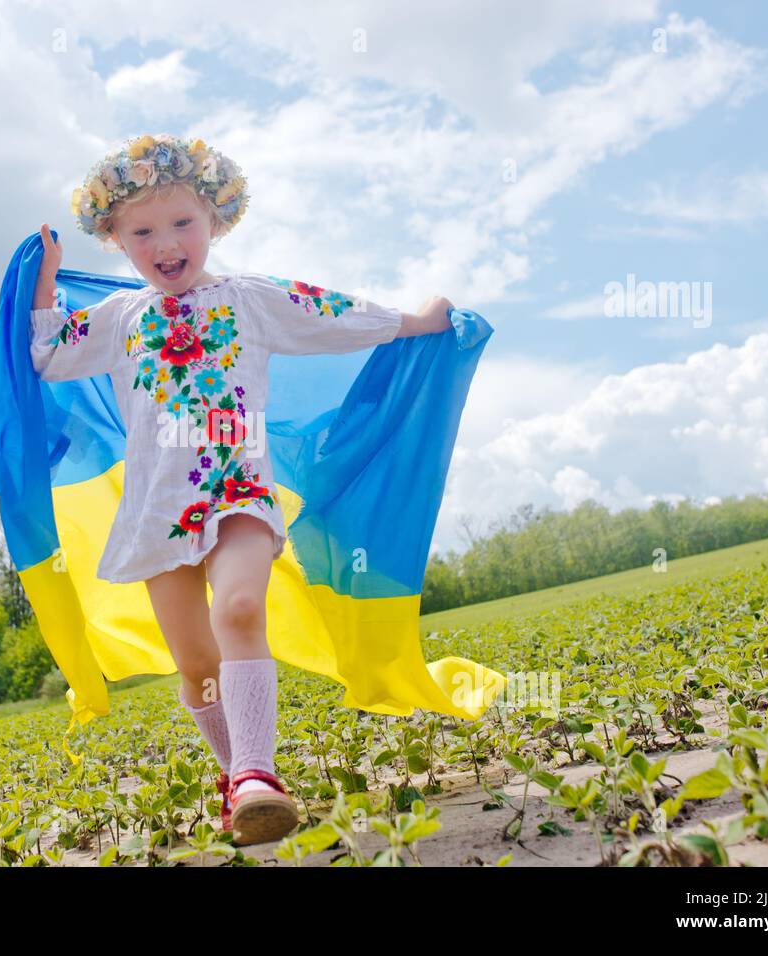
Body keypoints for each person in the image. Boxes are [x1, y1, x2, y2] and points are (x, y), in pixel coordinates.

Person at [28, 133, 454, 846]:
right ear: (117, 239)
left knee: (241, 605)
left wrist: (414, 321)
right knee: (196, 664)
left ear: (216, 221)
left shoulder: (251, 299)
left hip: (235, 486)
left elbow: (331, 314)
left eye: (182, 223)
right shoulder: (117, 321)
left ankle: (257, 771)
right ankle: (244, 787)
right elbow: (45, 354)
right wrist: (43, 275)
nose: (166, 242)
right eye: (142, 231)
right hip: (157, 510)